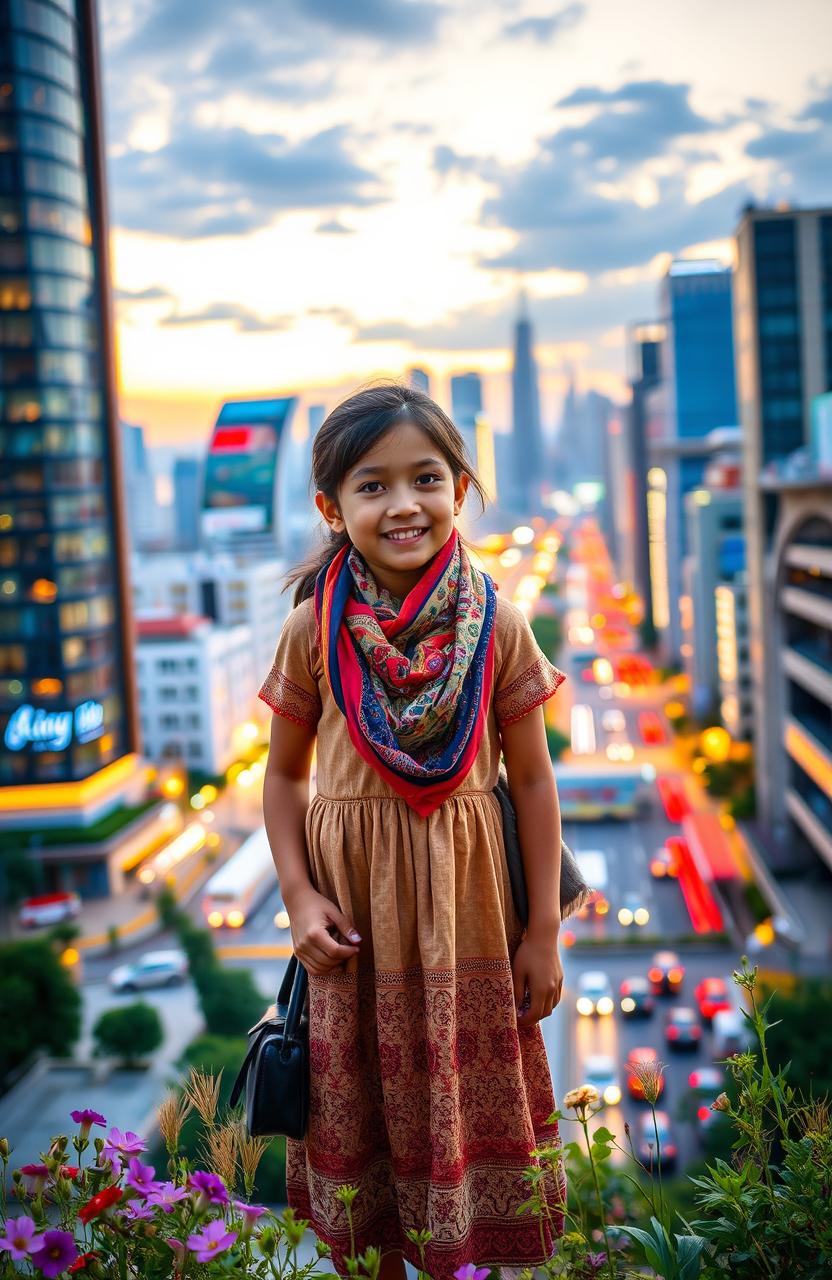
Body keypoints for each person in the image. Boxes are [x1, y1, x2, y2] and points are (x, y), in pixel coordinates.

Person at [260, 383, 567, 1280]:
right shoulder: (310, 631)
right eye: (371, 485)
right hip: (354, 932)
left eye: (425, 478)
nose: (402, 505)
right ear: (331, 506)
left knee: (463, 1145)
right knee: (368, 1162)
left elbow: (536, 783)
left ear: (460, 489)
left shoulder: (501, 625)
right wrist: (297, 893)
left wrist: (543, 930)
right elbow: (282, 777)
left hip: (471, 921)